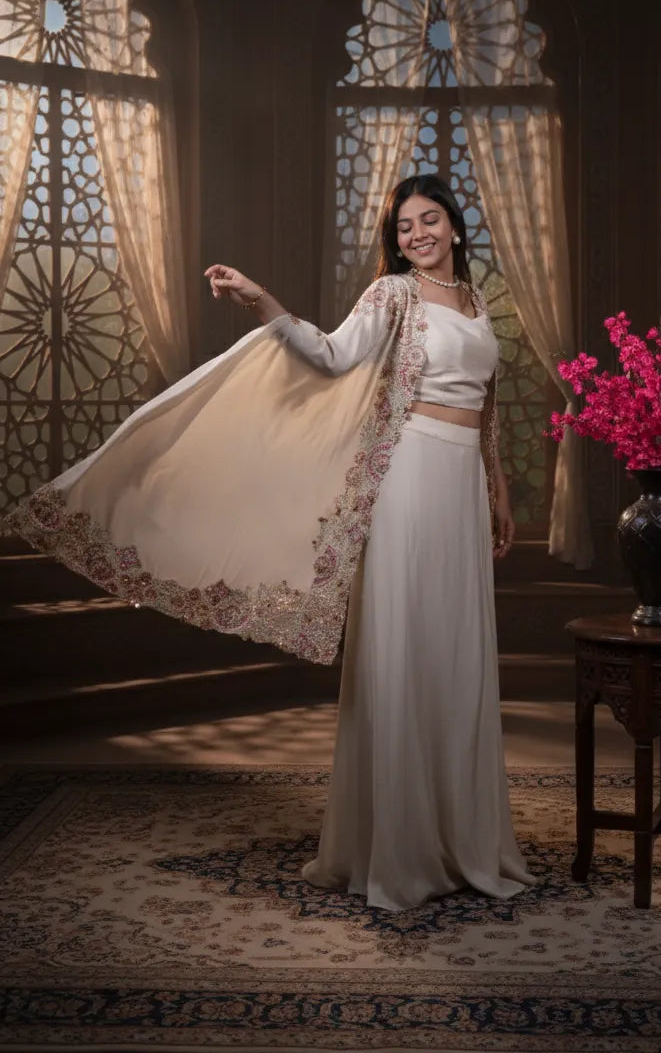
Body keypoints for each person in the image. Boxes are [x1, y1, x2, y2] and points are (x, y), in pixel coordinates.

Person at [4, 173, 534, 910]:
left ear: (454, 225)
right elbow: (330, 355)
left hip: (462, 487)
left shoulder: (475, 303)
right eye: (405, 226)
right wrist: (262, 300)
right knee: (407, 647)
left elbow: (488, 406)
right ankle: (401, 852)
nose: (417, 234)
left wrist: (496, 486)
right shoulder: (393, 295)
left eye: (429, 220)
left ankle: (461, 841)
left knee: (457, 650)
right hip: (411, 478)